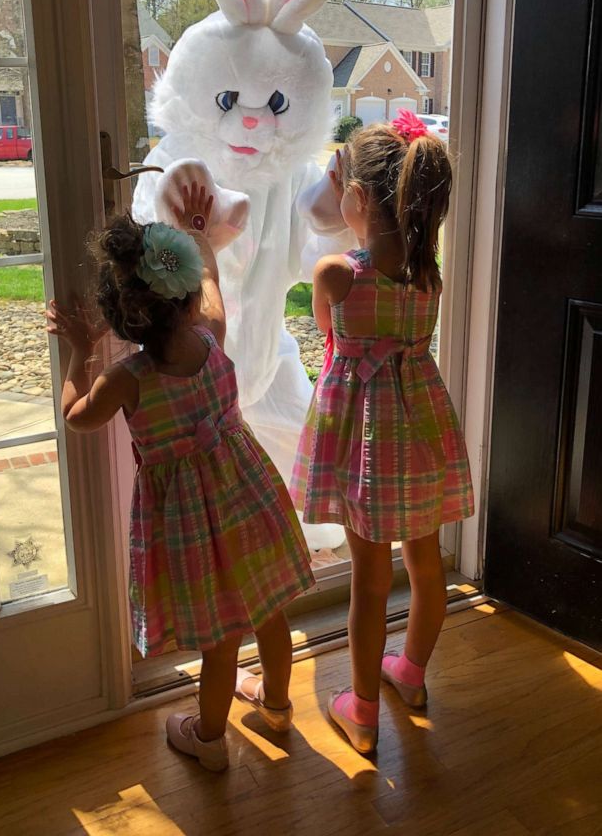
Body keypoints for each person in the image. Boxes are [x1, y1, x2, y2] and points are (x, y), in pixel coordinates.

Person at [46, 174, 314, 772]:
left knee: (222, 642)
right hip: (246, 493)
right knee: (269, 610)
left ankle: (209, 739)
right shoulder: (211, 339)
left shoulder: (125, 380)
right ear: (186, 296)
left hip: (191, 522)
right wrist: (201, 240)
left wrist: (79, 350)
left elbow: (75, 417)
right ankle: (275, 707)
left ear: (123, 320)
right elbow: (214, 289)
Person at [290, 111, 474, 754]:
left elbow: (329, 333)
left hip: (363, 441)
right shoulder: (430, 276)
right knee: (425, 567)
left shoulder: (336, 273)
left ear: (359, 199)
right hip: (419, 430)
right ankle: (412, 675)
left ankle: (362, 712)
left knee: (370, 579)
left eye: (340, 179)